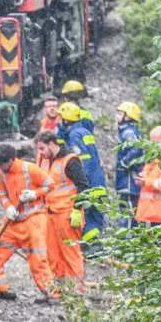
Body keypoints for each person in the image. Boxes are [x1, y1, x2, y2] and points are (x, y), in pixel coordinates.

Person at [0, 143, 59, 303]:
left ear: (12, 159)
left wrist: (34, 194)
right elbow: (2, 193)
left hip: (33, 220)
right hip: (13, 221)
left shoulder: (30, 169)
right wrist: (8, 207)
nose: (0, 167)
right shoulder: (0, 172)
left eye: (3, 164)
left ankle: (51, 294)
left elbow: (50, 184)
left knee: (38, 260)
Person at [35, 130, 87, 293]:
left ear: (52, 144)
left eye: (42, 148)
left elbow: (84, 186)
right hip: (50, 213)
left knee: (71, 253)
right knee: (52, 254)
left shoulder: (70, 161)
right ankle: (57, 289)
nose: (40, 152)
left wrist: (78, 210)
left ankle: (76, 291)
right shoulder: (44, 160)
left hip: (68, 214)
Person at [57, 101, 108, 240]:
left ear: (66, 119)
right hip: (98, 180)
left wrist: (81, 183)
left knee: (87, 217)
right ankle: (97, 248)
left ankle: (90, 248)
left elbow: (81, 162)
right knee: (96, 216)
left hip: (89, 181)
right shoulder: (84, 131)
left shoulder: (74, 136)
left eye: (61, 117)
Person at [114, 101, 146, 227]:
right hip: (127, 180)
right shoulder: (127, 131)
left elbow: (136, 149)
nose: (116, 115)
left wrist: (124, 163)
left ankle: (127, 240)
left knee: (128, 211)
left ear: (128, 116)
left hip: (129, 181)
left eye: (120, 113)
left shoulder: (128, 132)